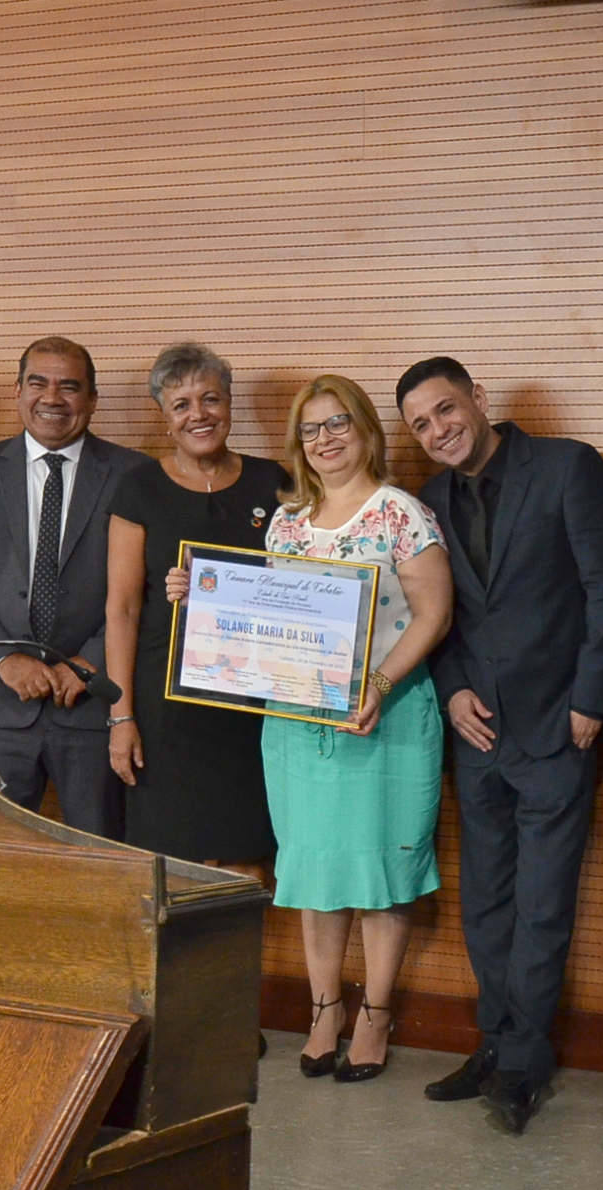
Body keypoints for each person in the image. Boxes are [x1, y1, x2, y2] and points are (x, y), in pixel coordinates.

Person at [170, 376, 452, 1082]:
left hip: (384, 717)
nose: (324, 439)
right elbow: (263, 617)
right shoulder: (286, 523)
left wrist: (380, 686)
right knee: (314, 869)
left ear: (364, 430)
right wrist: (197, 596)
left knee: (381, 872)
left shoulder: (402, 516)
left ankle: (376, 1016)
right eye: (310, 429)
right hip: (298, 723)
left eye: (337, 424)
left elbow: (433, 615)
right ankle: (325, 1009)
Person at [396, 356, 603, 1134]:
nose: (438, 431)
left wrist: (594, 698)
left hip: (560, 726)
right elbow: (437, 614)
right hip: (477, 728)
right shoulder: (426, 501)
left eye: (446, 410)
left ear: (480, 400)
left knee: (542, 903)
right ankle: (495, 1043)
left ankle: (526, 1060)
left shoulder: (566, 467)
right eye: (421, 425)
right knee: (486, 899)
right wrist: (452, 687)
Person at [0, 336, 147, 838]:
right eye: (38, 383)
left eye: (70, 387)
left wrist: (95, 661)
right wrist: (6, 657)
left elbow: (146, 585)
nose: (52, 399)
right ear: (17, 391)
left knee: (102, 858)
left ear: (92, 400)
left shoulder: (133, 474)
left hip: (93, 705)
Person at [103, 343, 282, 866]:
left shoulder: (274, 483)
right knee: (170, 860)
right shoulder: (138, 488)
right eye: (181, 404)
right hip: (165, 708)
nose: (198, 414)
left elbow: (299, 584)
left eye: (210, 399)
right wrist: (121, 716)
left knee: (252, 854)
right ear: (164, 416)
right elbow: (122, 609)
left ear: (230, 405)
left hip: (253, 702)